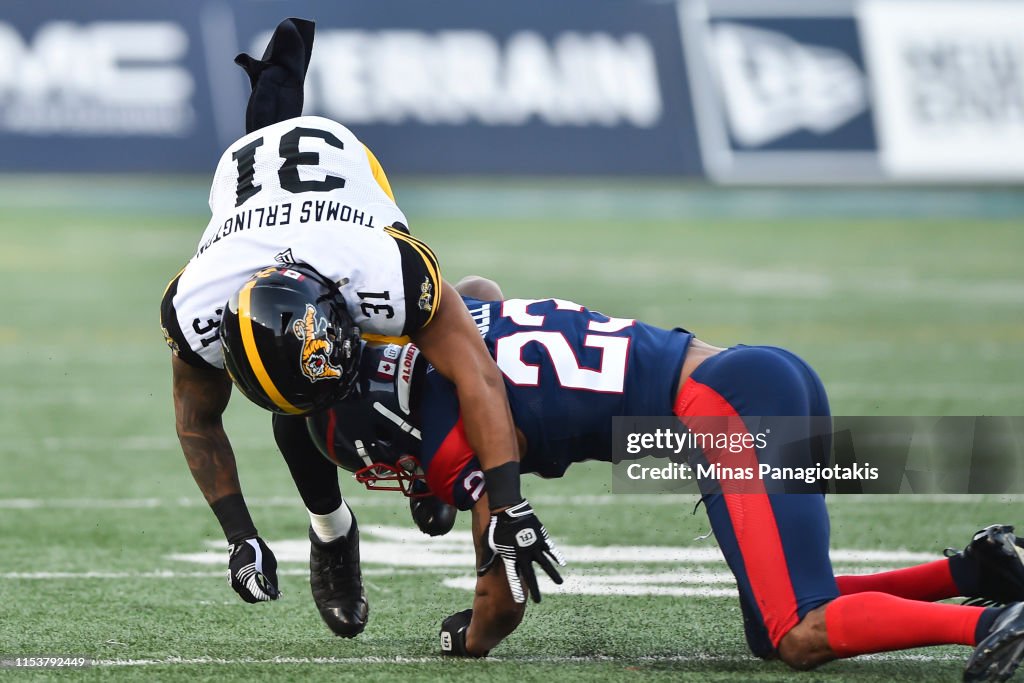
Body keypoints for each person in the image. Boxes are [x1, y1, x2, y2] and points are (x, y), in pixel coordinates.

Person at [311, 275, 1024, 681]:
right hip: (750, 376)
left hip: (726, 408)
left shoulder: (446, 438)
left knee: (799, 633)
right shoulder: (457, 327)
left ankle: (991, 624)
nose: (386, 472)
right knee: (772, 618)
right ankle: (974, 569)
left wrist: (461, 636)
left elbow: (500, 610)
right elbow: (476, 286)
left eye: (372, 460)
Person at [158, 19, 560, 639]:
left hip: (340, 197)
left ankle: (432, 471)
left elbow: (476, 357)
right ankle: (332, 534)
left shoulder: (381, 269)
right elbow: (198, 419)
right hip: (257, 219)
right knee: (298, 408)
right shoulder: (197, 305)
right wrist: (241, 537)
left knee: (466, 317)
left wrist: (505, 497)